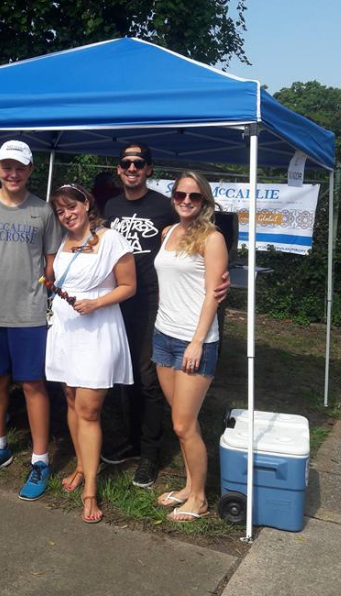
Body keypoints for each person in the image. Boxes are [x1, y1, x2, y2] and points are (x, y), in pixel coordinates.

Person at [104, 143, 229, 488]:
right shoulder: (112, 207)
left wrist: (221, 281)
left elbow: (203, 248)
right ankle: (130, 443)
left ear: (148, 169)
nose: (132, 168)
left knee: (149, 385)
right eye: (126, 163)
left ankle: (150, 454)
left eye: (139, 163)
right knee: (123, 378)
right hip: (118, 304)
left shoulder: (165, 208)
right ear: (119, 169)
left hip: (152, 306)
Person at [0, 139, 62, 500]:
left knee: (33, 385)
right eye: (7, 167)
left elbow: (52, 263)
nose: (13, 173)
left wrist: (45, 297)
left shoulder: (43, 212)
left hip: (31, 315)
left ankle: (40, 459)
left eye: (20, 167)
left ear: (30, 170)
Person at [45, 184, 136, 523]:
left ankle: (91, 490)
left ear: (86, 204)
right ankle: (82, 465)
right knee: (70, 398)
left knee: (89, 408)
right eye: (61, 211)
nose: (67, 215)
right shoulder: (64, 241)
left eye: (72, 207)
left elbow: (129, 286)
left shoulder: (111, 239)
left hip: (98, 329)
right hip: (66, 330)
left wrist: (96, 302)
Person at [152, 172, 227, 522]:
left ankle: (199, 499)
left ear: (205, 202)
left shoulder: (212, 239)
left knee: (183, 424)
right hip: (162, 336)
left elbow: (214, 294)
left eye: (194, 197)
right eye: (180, 194)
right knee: (182, 420)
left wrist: (197, 342)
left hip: (193, 341)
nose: (186, 201)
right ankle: (188, 486)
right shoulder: (168, 233)